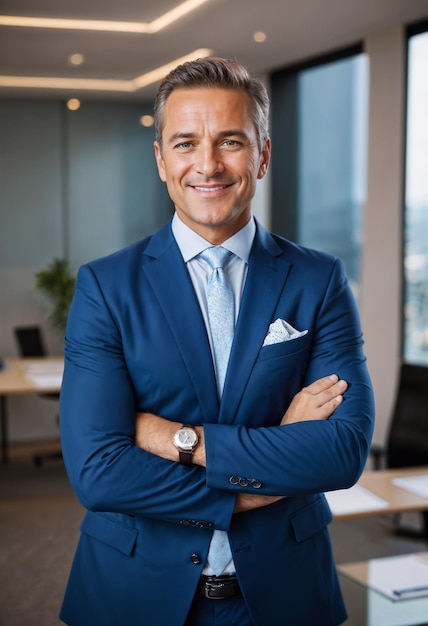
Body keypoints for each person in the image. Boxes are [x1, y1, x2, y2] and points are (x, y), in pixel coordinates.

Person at [59, 57, 374, 626]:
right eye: (185, 144)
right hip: (133, 595)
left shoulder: (318, 279)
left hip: (284, 596)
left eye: (230, 141)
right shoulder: (106, 286)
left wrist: (177, 439)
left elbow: (342, 451)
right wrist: (271, 459)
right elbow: (98, 470)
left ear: (263, 155)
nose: (207, 165)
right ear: (160, 159)